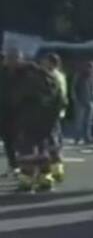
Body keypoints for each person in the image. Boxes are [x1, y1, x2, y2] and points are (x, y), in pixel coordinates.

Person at [7, 58, 66, 192]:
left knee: (27, 153)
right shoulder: (51, 79)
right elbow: (60, 99)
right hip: (47, 122)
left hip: (28, 121)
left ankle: (26, 182)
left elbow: (15, 100)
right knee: (43, 151)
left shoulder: (25, 81)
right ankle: (46, 180)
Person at [38, 52, 68, 183]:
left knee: (50, 140)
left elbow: (57, 94)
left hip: (50, 111)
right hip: (56, 110)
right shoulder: (60, 75)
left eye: (45, 61)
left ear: (51, 63)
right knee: (55, 138)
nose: (42, 63)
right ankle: (57, 168)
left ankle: (54, 169)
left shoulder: (52, 75)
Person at [0, 48, 24, 174]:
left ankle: (24, 165)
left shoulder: (26, 73)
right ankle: (13, 165)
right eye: (9, 59)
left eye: (14, 58)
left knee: (21, 140)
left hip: (22, 112)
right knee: (8, 140)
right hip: (4, 112)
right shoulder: (2, 73)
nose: (11, 62)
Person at [70, 61, 93, 145]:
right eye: (91, 68)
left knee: (88, 121)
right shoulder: (79, 75)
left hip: (91, 101)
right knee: (79, 121)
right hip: (80, 101)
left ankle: (87, 137)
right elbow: (73, 87)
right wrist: (75, 98)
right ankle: (77, 138)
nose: (92, 70)